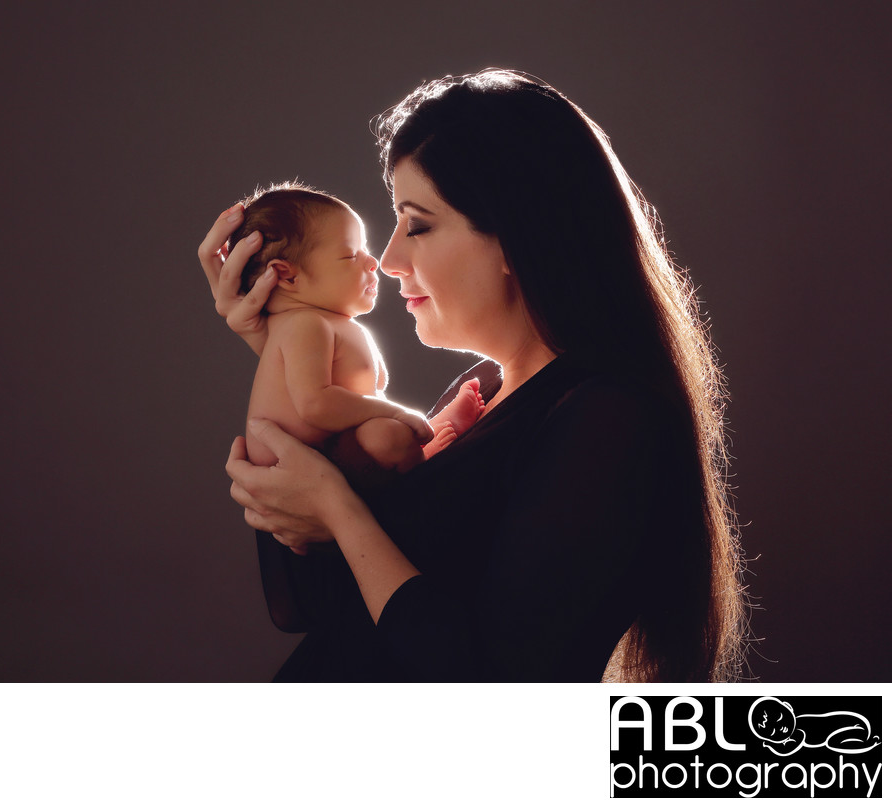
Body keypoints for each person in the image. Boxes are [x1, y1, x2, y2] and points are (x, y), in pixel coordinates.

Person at [198, 69, 748, 682]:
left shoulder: (606, 420)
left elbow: (492, 679)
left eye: (420, 225)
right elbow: (309, 606)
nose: (389, 259)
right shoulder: (481, 396)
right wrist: (285, 348)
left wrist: (337, 507)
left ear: (517, 234)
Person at [228, 183, 485, 483]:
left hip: (336, 453)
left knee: (383, 432)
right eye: (352, 255)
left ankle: (421, 443)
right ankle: (423, 458)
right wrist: (399, 414)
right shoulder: (304, 325)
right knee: (387, 436)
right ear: (287, 275)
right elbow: (315, 405)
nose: (374, 261)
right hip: (302, 465)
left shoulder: (320, 323)